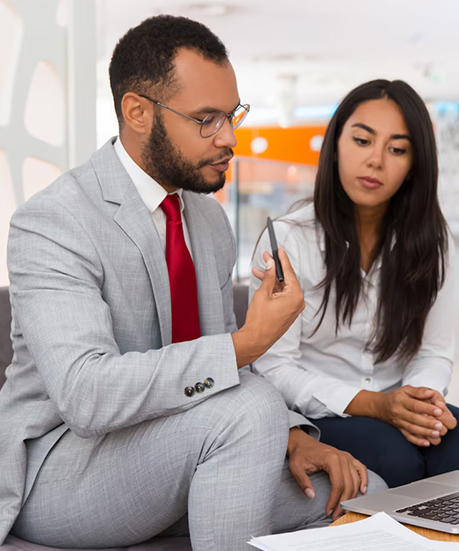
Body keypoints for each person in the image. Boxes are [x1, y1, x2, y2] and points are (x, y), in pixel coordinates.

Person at [0, 16, 387, 551]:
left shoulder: (204, 219)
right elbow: (85, 395)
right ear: (137, 112)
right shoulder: (53, 220)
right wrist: (248, 342)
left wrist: (294, 436)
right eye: (207, 119)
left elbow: (225, 365)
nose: (229, 137)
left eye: (231, 115)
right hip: (64, 469)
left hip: (187, 446)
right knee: (247, 409)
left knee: (364, 493)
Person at [250, 79, 459, 489]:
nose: (376, 160)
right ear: (336, 144)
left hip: (397, 399)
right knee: (394, 458)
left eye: (397, 149)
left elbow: (433, 351)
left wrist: (419, 404)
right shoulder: (292, 239)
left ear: (414, 165)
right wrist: (377, 407)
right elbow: (275, 368)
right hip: (322, 412)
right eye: (362, 141)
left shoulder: (433, 242)